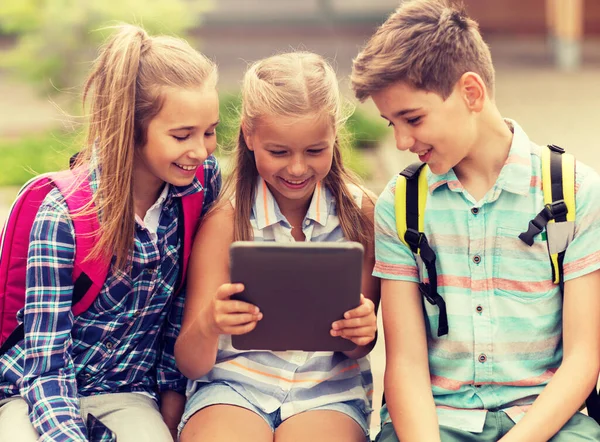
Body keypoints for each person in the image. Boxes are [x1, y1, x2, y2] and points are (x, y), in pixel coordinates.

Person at [350, 1, 600, 441]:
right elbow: (405, 362)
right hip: (435, 421)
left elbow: (583, 357)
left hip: (547, 422)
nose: (403, 141)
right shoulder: (402, 203)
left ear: (471, 92)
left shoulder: (574, 191)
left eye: (412, 119)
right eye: (391, 124)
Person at [0, 24, 221, 441]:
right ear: (131, 129)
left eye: (209, 131)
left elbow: (183, 309)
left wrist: (171, 403)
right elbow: (45, 366)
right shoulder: (62, 217)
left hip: (127, 392)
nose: (201, 150)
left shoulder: (199, 186)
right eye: (181, 135)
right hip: (34, 392)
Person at [174, 51, 380, 442]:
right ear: (250, 136)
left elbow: (358, 348)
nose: (298, 168)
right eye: (279, 152)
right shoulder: (225, 222)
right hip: (231, 389)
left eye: (315, 151)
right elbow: (191, 362)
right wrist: (210, 323)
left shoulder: (360, 215)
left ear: (334, 132)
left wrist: (363, 331)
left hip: (328, 394)